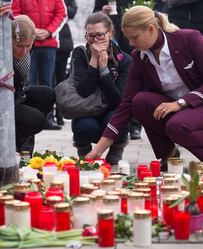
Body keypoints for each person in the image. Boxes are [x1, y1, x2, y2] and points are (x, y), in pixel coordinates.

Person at [86, 6, 203, 168]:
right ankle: (169, 155)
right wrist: (98, 150)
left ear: (151, 29)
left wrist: (180, 103)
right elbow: (126, 105)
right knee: (139, 102)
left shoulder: (189, 39)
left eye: (135, 37)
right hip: (181, 110)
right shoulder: (140, 58)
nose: (131, 44)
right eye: (128, 39)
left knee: (176, 125)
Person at [0, 15, 55, 154]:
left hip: (15, 93)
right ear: (7, 39)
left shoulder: (26, 46)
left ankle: (22, 146)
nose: (24, 51)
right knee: (36, 120)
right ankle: (1, 147)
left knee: (46, 94)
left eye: (28, 46)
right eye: (19, 46)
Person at [71, 12, 131, 164]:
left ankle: (117, 148)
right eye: (90, 36)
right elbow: (83, 91)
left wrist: (104, 69)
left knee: (116, 118)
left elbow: (118, 100)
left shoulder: (124, 60)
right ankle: (84, 150)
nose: (95, 40)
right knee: (84, 126)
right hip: (87, 110)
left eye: (99, 35)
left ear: (110, 33)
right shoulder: (80, 54)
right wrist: (93, 60)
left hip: (111, 111)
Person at [11, 0, 67, 130]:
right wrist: (31, 31)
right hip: (27, 40)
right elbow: (14, 13)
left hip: (49, 42)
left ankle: (47, 119)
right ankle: (27, 116)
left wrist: (49, 31)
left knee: (47, 82)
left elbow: (61, 14)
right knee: (26, 81)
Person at [94, 0, 143, 140]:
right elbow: (94, 15)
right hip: (112, 39)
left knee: (138, 83)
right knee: (122, 85)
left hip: (134, 37)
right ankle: (120, 122)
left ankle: (135, 125)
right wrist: (102, 12)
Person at [54, 0, 77, 126]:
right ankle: (49, 114)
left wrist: (58, 10)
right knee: (47, 81)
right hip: (48, 40)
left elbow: (73, 11)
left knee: (61, 80)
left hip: (63, 40)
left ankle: (59, 114)